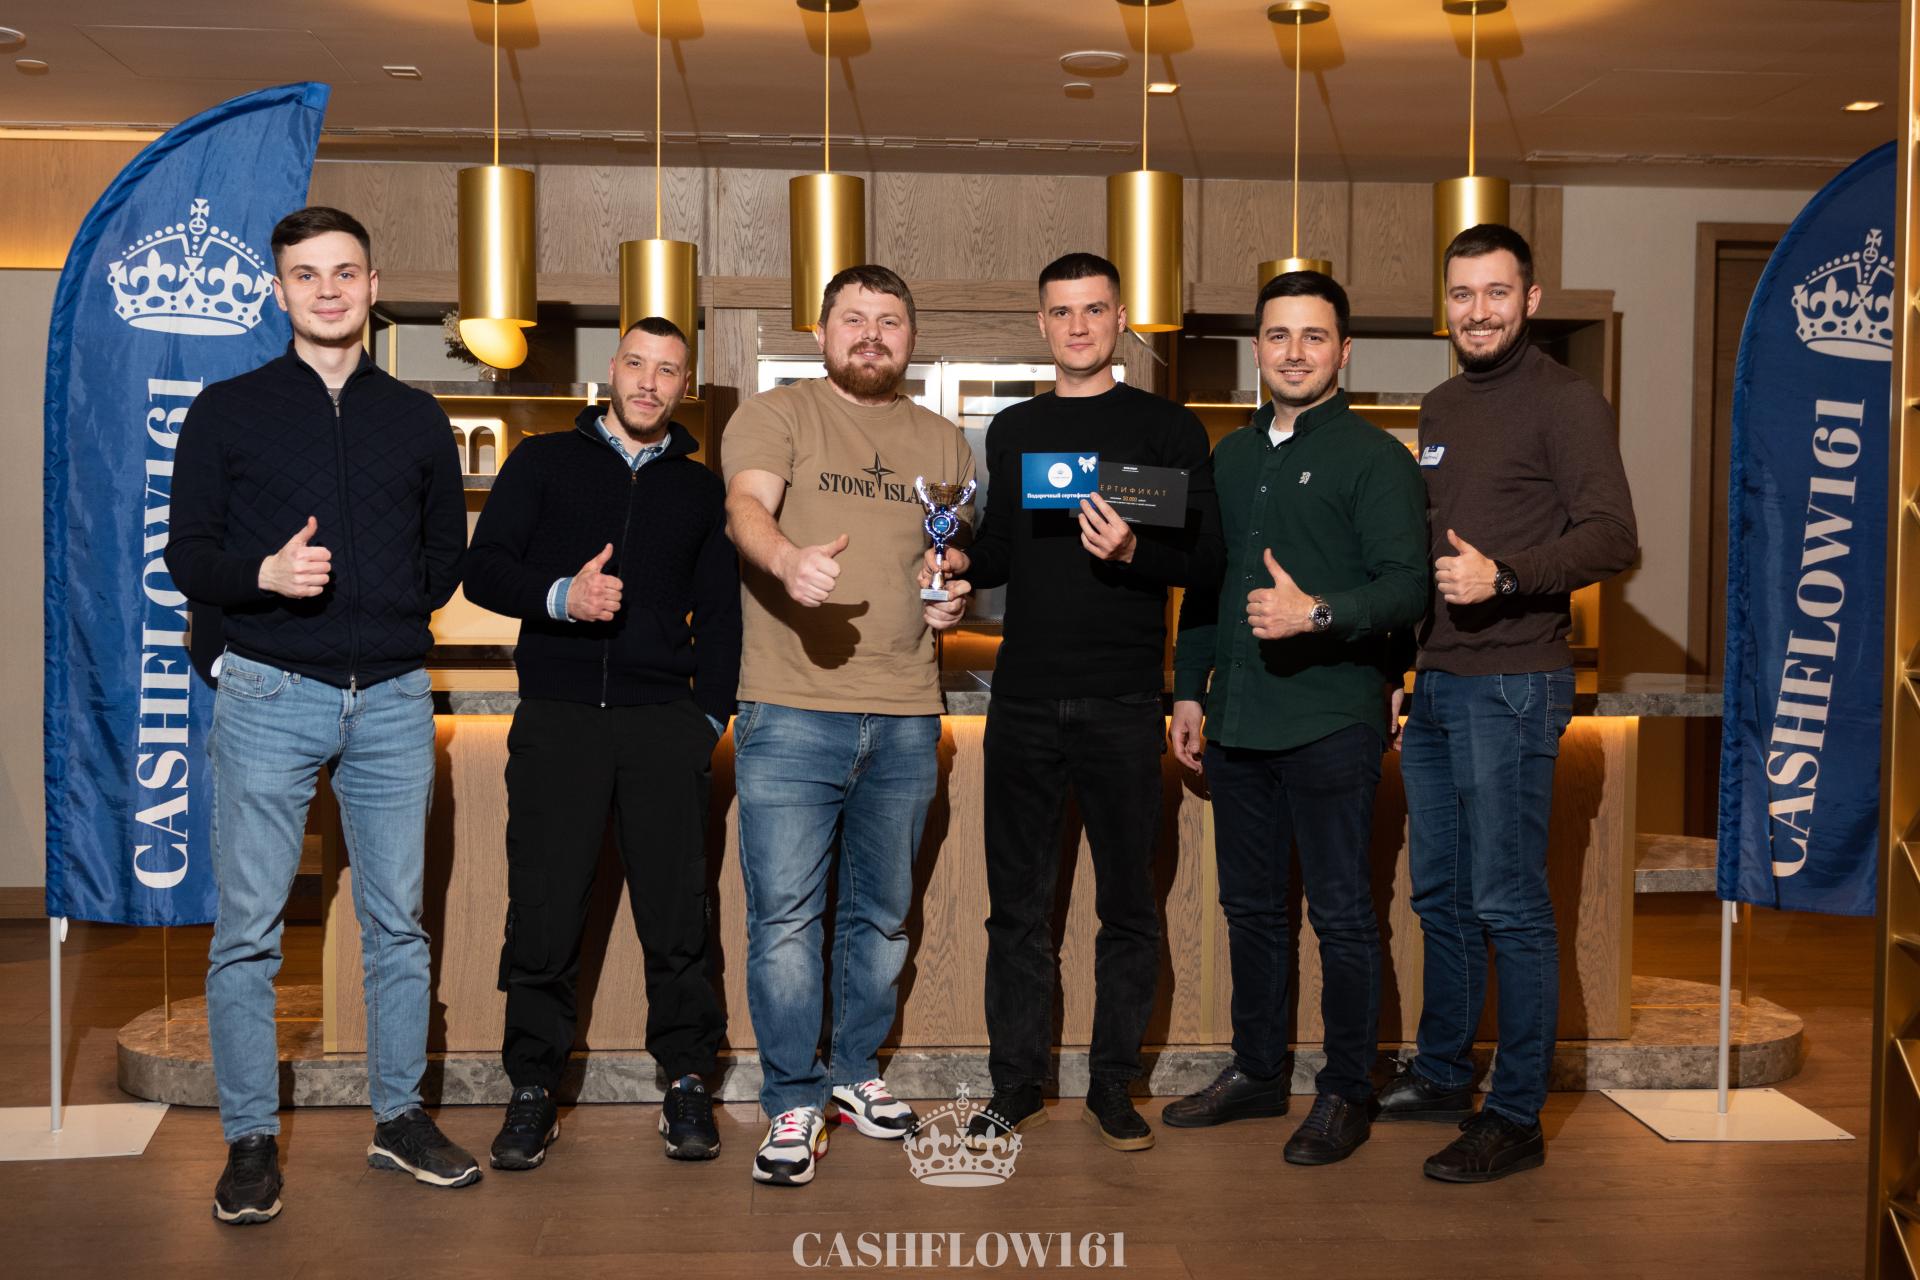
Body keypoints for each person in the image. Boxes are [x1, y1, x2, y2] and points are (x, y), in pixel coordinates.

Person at [166, 206, 474, 1224]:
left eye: (346, 272)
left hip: (391, 698)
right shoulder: (227, 410)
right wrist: (263, 576)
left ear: (373, 287)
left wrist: (388, 611)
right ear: (279, 291)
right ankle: (251, 1141)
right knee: (249, 932)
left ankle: (399, 1119)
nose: (329, 290)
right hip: (268, 690)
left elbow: (445, 554)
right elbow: (187, 555)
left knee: (398, 926)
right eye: (307, 274)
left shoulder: (417, 417)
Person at [929, 252, 1221, 1153]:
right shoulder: (1014, 429)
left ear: (1120, 318)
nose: (1079, 326)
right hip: (1022, 701)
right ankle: (1016, 1084)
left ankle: (1111, 1086)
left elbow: (1208, 562)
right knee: (1017, 909)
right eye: (1062, 312)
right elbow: (1005, 549)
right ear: (1042, 324)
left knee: (1127, 907)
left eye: (1094, 310)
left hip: (1123, 701)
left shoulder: (1168, 428)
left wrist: (1135, 554)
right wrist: (960, 558)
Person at [1379, 223, 1638, 1182]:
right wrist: (1406, 666)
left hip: (1516, 684)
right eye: (1462, 295)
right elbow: (1434, 551)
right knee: (1440, 895)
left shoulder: (1567, 402)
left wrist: (1509, 576)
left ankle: (1517, 1115)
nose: (1478, 311)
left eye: (1496, 293)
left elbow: (1613, 536)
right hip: (1442, 683)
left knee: (1507, 902)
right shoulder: (1441, 403)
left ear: (1530, 299)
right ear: (1444, 305)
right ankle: (1446, 1073)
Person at [462, 316, 739, 1172]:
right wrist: (561, 598)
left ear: (685, 385)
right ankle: (532, 1089)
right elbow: (484, 568)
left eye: (669, 370)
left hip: (663, 725)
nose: (650, 382)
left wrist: (705, 719)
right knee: (544, 912)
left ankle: (686, 1081)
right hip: (560, 717)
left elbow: (722, 614)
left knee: (678, 916)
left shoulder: (700, 490)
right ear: (611, 370)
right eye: (637, 364)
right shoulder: (543, 461)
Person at [1163, 270, 1428, 1165]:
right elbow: (1210, 586)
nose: (1294, 352)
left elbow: (1407, 588)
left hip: (1331, 720)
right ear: (1258, 350)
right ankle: (1258, 1072)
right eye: (1278, 335)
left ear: (1343, 351)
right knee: (1250, 911)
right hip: (1238, 722)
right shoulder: (1229, 459)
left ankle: (1346, 1089)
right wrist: (1189, 688)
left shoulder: (1377, 459)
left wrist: (1316, 612)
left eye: (1314, 336)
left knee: (1344, 917)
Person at [721, 264, 974, 1187]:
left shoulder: (945, 441)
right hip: (791, 708)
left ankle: (854, 1072)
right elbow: (745, 507)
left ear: (911, 337)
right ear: (822, 331)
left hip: (907, 711)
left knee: (882, 918)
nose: (872, 334)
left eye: (890, 320)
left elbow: (943, 554)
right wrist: (786, 560)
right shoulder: (777, 414)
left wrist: (951, 599)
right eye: (854, 318)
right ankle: (792, 1099)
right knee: (787, 920)